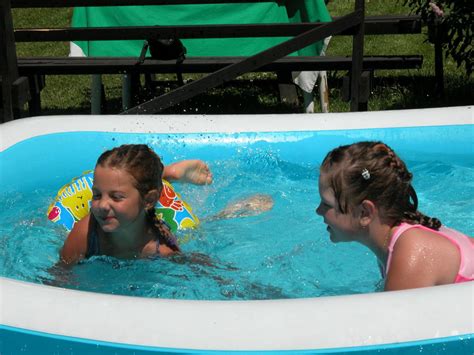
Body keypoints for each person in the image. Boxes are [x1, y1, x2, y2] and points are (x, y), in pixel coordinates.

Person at [60, 144, 273, 266]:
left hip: (161, 211)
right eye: (97, 195)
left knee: (197, 228)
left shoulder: (163, 248)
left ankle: (226, 213)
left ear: (150, 200)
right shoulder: (85, 234)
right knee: (129, 181)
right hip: (138, 194)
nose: (102, 205)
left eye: (116, 197)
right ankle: (168, 173)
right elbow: (59, 279)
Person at [316, 141, 474, 291]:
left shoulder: (412, 253)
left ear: (365, 213)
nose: (318, 210)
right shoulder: (393, 240)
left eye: (326, 204)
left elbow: (390, 318)